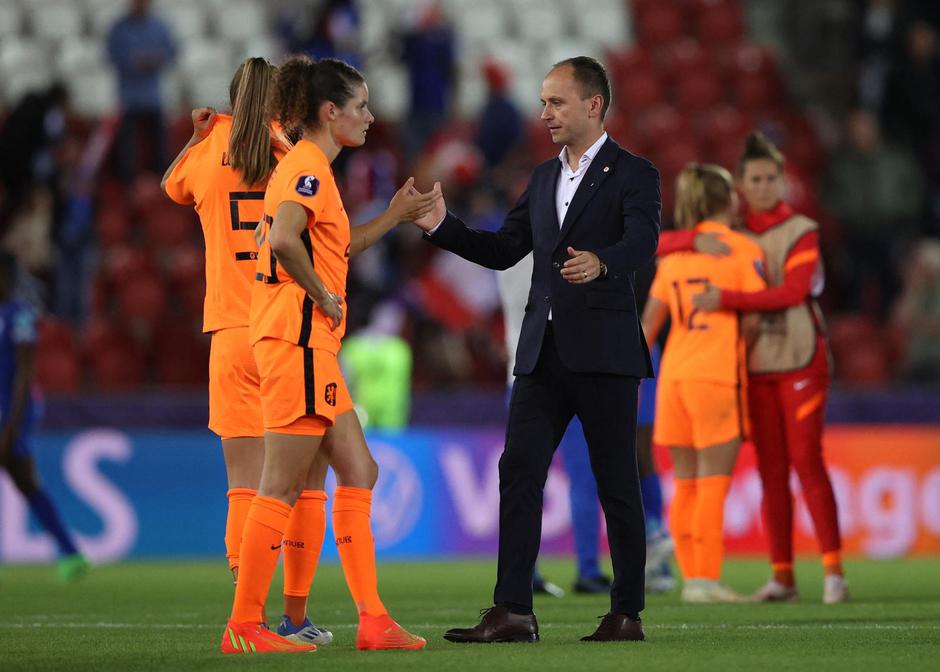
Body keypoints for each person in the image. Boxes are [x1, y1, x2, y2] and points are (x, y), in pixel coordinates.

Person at [416, 56, 660, 643]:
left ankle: (626, 612)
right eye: (544, 102)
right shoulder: (543, 177)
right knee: (518, 470)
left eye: (556, 101)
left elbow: (643, 242)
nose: (544, 112)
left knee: (615, 481)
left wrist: (603, 263)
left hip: (603, 350)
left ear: (594, 104)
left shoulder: (635, 172)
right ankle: (513, 611)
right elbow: (504, 249)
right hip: (540, 352)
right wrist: (440, 225)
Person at [221, 55, 439, 654]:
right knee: (282, 486)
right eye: (362, 106)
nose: (371, 117)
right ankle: (243, 626)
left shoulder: (311, 168)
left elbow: (330, 248)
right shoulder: (308, 167)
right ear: (330, 111)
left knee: (360, 470)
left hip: (309, 342)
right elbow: (288, 240)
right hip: (297, 339)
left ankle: (373, 620)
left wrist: (394, 217)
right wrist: (320, 293)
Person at [162, 58, 333, 647]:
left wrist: (200, 133)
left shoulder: (210, 150)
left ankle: (246, 614)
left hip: (230, 334)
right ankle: (294, 616)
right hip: (284, 328)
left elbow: (170, 186)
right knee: (308, 477)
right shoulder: (294, 155)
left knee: (244, 484)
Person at [690, 131, 848, 604]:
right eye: (754, 179)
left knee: (807, 461)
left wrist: (727, 298)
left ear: (782, 182)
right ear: (740, 185)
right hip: (756, 362)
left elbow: (793, 293)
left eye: (769, 178)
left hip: (800, 356)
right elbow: (671, 243)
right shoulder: (732, 237)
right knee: (771, 472)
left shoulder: (802, 230)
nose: (761, 186)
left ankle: (834, 572)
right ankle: (783, 576)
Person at [641, 164, 766, 603]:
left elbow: (648, 326)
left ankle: (694, 578)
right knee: (713, 484)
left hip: (673, 378)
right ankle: (705, 578)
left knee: (688, 484)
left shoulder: (676, 256)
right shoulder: (742, 249)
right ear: (726, 200)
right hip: (715, 376)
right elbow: (753, 320)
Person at [0, 252, 88, 582]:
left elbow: (24, 371)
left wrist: (11, 424)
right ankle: (70, 551)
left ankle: (70, 551)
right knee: (25, 482)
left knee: (25, 479)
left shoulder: (19, 314)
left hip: (14, 409)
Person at [106, 0, 176, 183]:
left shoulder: (159, 26)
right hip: (129, 97)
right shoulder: (119, 28)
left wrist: (154, 60)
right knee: (127, 148)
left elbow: (171, 52)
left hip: (153, 97)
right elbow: (112, 55)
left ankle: (163, 182)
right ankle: (127, 184)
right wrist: (134, 62)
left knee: (159, 146)